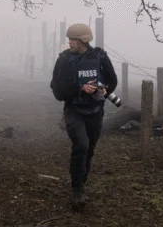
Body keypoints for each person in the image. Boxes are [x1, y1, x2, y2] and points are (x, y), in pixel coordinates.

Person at [49, 23, 118, 209]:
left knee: (90, 149)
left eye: (73, 39)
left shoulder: (99, 57)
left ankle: (82, 181)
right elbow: (56, 89)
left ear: (83, 41)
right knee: (81, 145)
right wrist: (79, 88)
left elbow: (112, 80)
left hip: (95, 110)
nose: (70, 42)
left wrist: (104, 89)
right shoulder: (64, 60)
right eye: (69, 39)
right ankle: (77, 189)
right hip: (74, 110)